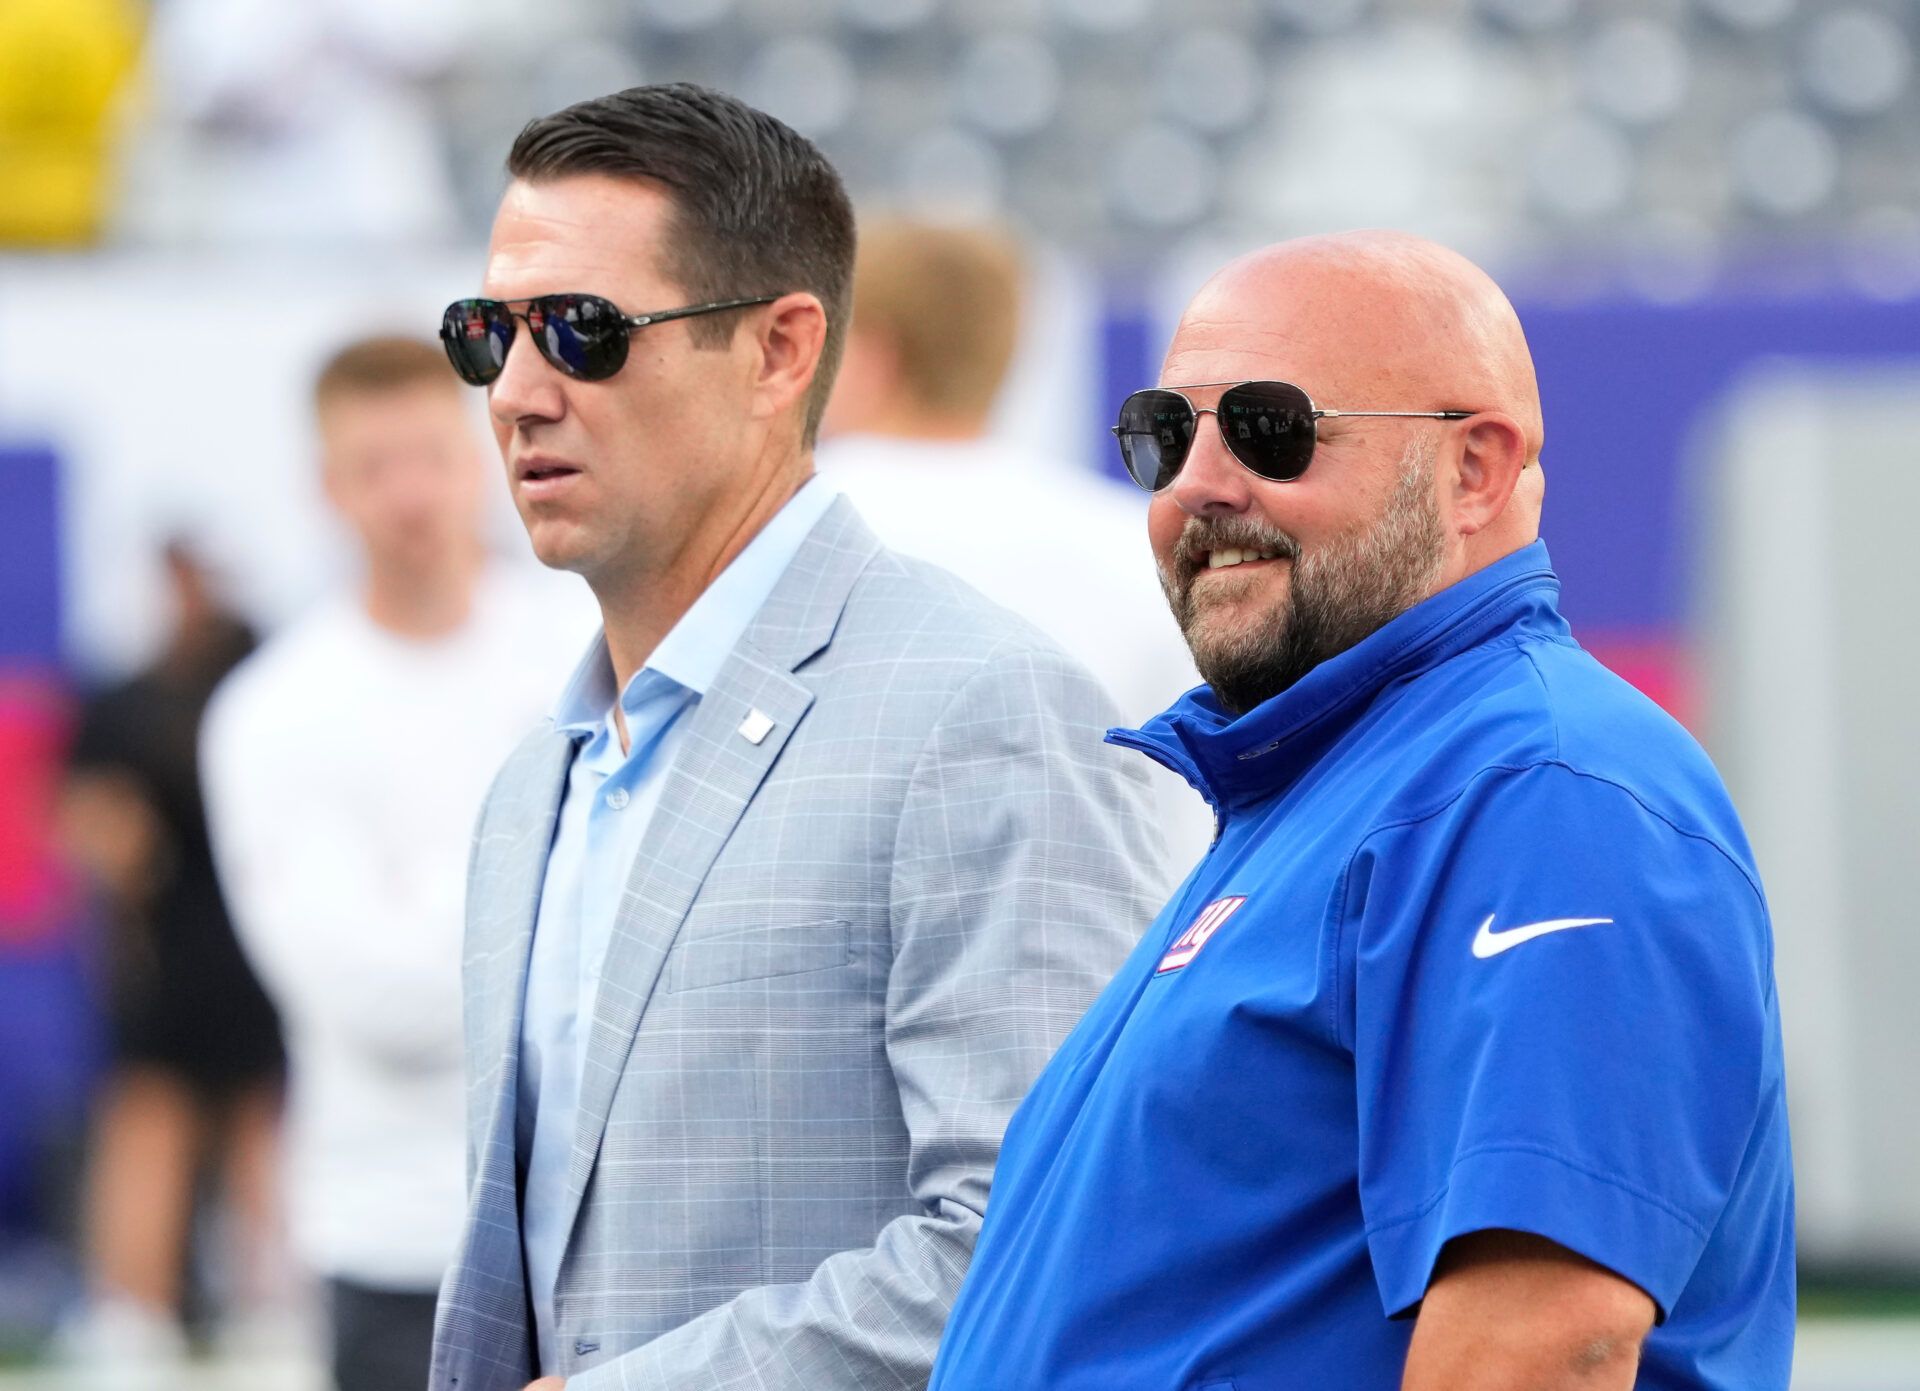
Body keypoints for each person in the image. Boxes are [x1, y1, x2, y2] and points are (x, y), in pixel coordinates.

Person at [926, 231, 1794, 1391]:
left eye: (1272, 427)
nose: (1200, 482)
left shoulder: (1541, 788)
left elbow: (1544, 1346)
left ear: (1475, 470)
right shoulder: (1338, 791)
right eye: (1166, 435)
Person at [429, 83, 1168, 1391]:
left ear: (781, 351)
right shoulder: (536, 775)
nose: (520, 392)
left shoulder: (978, 707)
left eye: (585, 331)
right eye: (489, 332)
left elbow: (1043, 1239)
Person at [199, 338, 591, 1391]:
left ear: (476, 457)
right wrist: (555, 894)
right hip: (394, 1237)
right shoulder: (271, 710)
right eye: (374, 466)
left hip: (598, 1227)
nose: (409, 494)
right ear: (327, 488)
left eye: (428, 455)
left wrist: (432, 893)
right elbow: (371, 994)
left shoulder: (585, 647)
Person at [818, 215, 1209, 861]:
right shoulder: (1143, 545)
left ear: (867, 352)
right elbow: (1189, 813)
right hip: (1106, 941)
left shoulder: (763, 531)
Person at [56, 541, 284, 1370]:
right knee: (153, 1122)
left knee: (258, 1119)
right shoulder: (122, 702)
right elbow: (97, 827)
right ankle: (135, 1308)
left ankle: (270, 1298)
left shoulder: (257, 678)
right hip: (167, 946)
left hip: (253, 933)